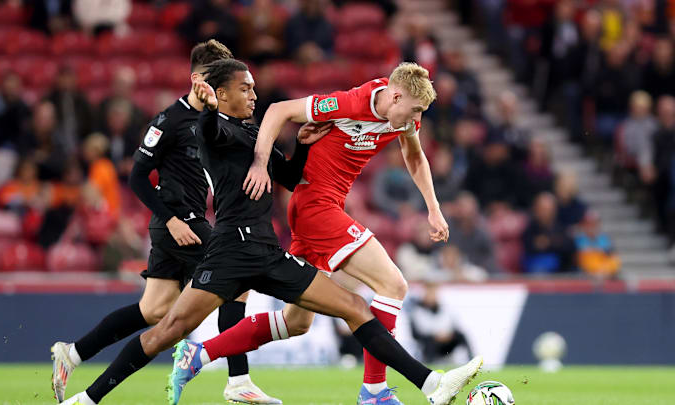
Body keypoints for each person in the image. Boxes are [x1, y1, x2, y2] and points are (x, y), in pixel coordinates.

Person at [59, 59, 482, 405]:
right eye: (246, 89)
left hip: (264, 251)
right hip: (229, 250)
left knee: (342, 310)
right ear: (220, 95)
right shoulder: (215, 130)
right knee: (162, 329)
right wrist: (208, 112)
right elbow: (210, 132)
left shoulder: (247, 131)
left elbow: (289, 174)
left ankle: (422, 385)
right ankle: (89, 399)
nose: (255, 95)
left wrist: (301, 144)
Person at [50, 40, 284, 405]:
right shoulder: (170, 121)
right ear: (197, 79)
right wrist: (171, 218)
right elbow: (138, 177)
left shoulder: (219, 122)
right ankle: (238, 381)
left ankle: (74, 356)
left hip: (187, 222)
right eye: (214, 78)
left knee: (154, 310)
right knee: (238, 278)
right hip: (179, 223)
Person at [204, 62, 452, 405]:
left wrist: (433, 208)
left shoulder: (406, 113)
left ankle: (197, 355)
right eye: (412, 110)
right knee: (393, 285)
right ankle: (375, 392)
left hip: (320, 208)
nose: (414, 120)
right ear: (395, 96)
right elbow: (278, 110)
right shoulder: (350, 103)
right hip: (316, 207)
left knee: (296, 322)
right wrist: (261, 163)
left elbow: (414, 154)